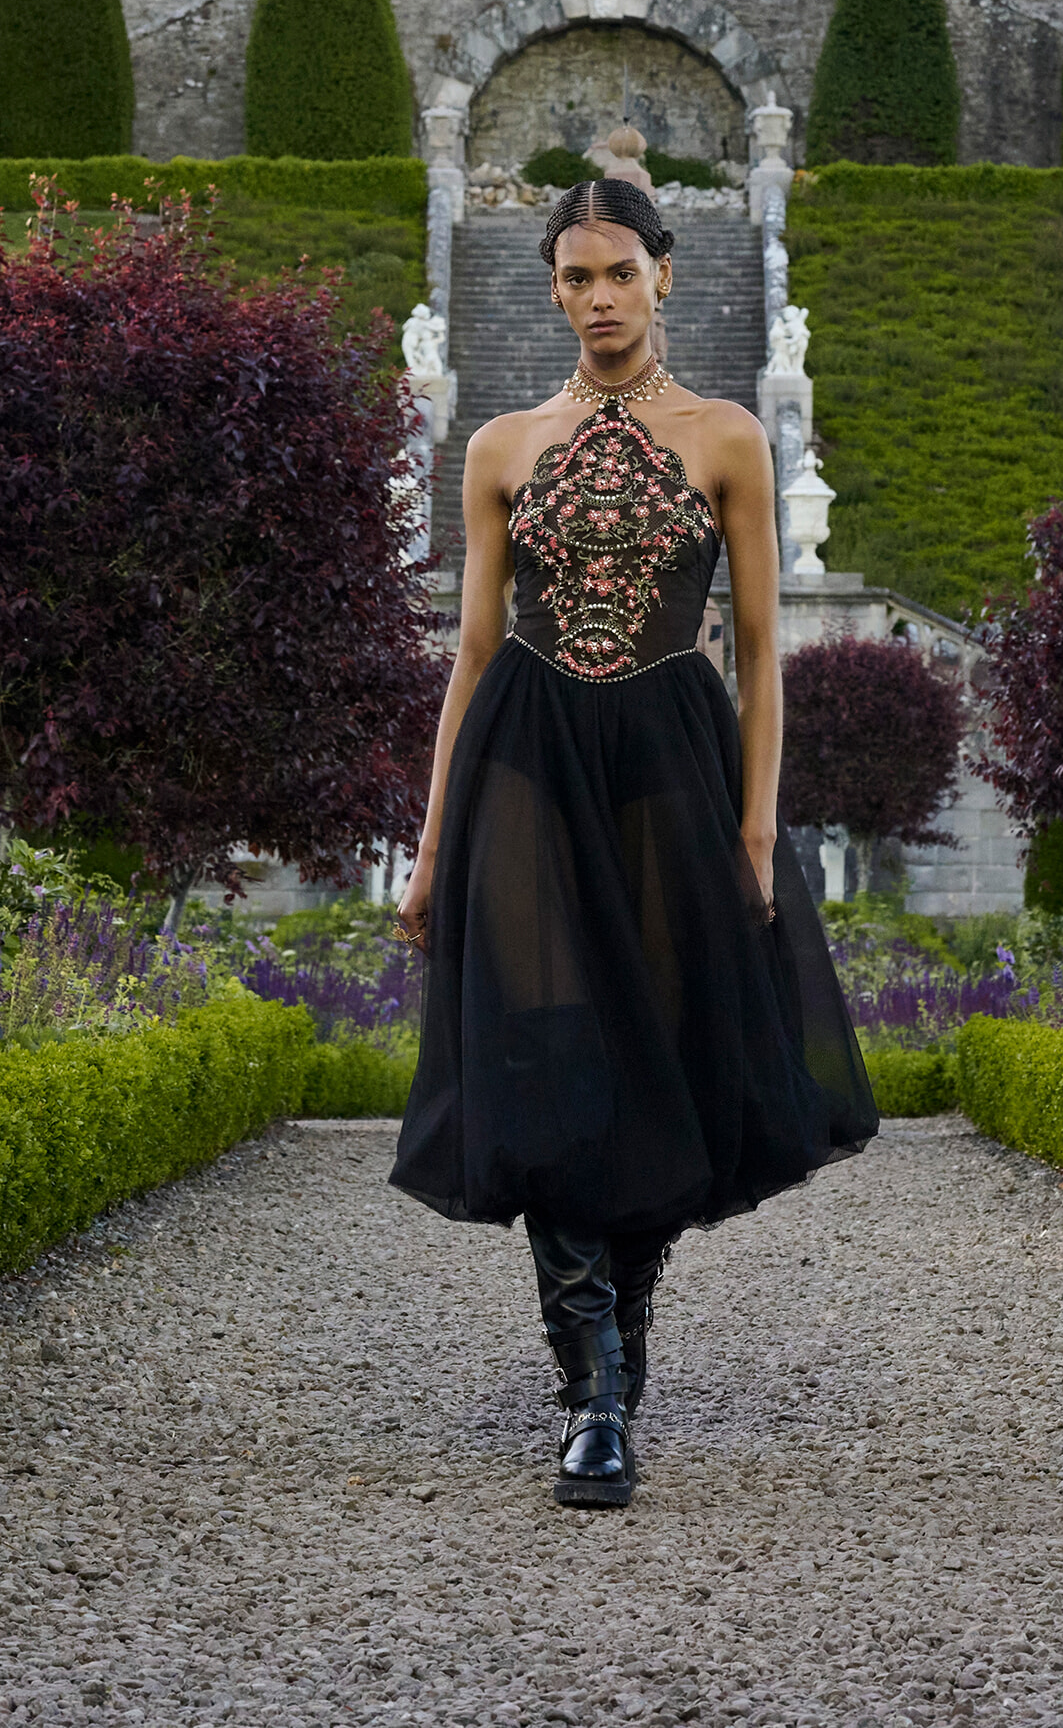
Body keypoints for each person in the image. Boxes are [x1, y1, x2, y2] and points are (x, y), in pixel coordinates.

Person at [389, 179, 878, 1508]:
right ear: (553, 288)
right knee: (548, 1053)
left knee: (660, 1056)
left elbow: (768, 649)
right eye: (572, 277)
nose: (596, 297)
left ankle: (625, 1341)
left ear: (666, 275)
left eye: (617, 272)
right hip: (528, 764)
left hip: (674, 760)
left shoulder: (726, 439)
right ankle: (593, 1384)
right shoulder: (498, 444)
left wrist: (761, 823)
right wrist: (432, 848)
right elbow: (475, 651)